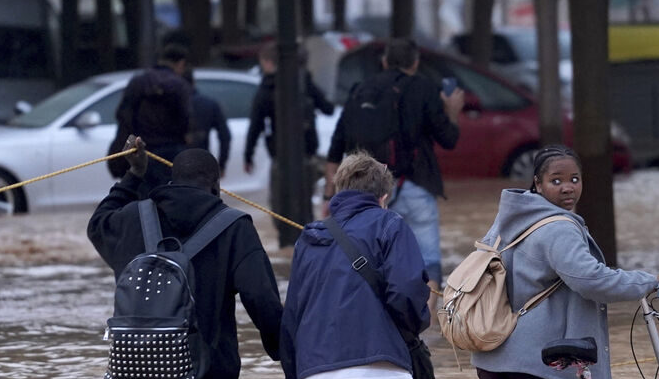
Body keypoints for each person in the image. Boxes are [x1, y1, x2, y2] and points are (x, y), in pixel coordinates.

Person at [87, 137, 283, 379]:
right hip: (206, 376)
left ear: (172, 178)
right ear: (216, 185)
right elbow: (262, 300)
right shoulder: (234, 226)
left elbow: (97, 225)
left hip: (143, 371)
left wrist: (133, 177)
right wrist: (284, 355)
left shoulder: (132, 217)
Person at [470, 145, 659, 379]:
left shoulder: (505, 221)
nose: (568, 187)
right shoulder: (559, 227)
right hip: (541, 360)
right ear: (538, 184)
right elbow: (592, 280)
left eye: (574, 179)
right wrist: (648, 281)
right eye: (556, 181)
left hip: (491, 354)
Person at [280, 151, 431, 379]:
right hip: (381, 374)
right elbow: (407, 294)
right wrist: (412, 331)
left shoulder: (309, 237)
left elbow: (292, 317)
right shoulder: (390, 224)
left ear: (337, 190)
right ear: (383, 197)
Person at [324, 37, 463, 300]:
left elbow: (336, 146)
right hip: (414, 183)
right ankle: (428, 323)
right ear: (416, 62)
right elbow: (448, 139)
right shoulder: (423, 87)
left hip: (367, 190)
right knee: (427, 256)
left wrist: (329, 195)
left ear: (385, 61)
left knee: (373, 256)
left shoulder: (360, 89)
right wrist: (452, 112)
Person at [243, 40, 335, 249]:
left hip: (281, 158)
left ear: (267, 62)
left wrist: (248, 155)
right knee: (305, 207)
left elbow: (256, 124)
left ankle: (290, 245)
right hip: (307, 156)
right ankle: (309, 246)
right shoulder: (304, 83)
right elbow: (328, 108)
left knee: (279, 207)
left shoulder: (267, 87)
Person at [106, 43, 192, 184]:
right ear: (181, 63)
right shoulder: (180, 85)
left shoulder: (137, 82)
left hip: (139, 151)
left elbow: (122, 114)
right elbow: (186, 120)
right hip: (169, 154)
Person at [185, 68, 231, 176]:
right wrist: (222, 164)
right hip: (202, 162)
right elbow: (225, 137)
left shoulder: (168, 106)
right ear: (193, 82)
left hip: (171, 163)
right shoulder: (209, 105)